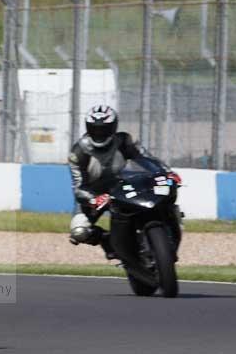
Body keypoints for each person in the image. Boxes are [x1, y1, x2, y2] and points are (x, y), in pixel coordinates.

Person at [68, 104, 181, 256]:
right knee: (79, 231)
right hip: (97, 195)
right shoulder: (78, 152)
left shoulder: (123, 141)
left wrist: (168, 172)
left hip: (124, 185)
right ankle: (109, 242)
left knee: (161, 197)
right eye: (94, 128)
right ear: (88, 128)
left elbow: (146, 157)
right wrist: (94, 199)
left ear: (113, 128)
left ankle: (170, 225)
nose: (99, 132)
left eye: (104, 128)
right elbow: (78, 187)